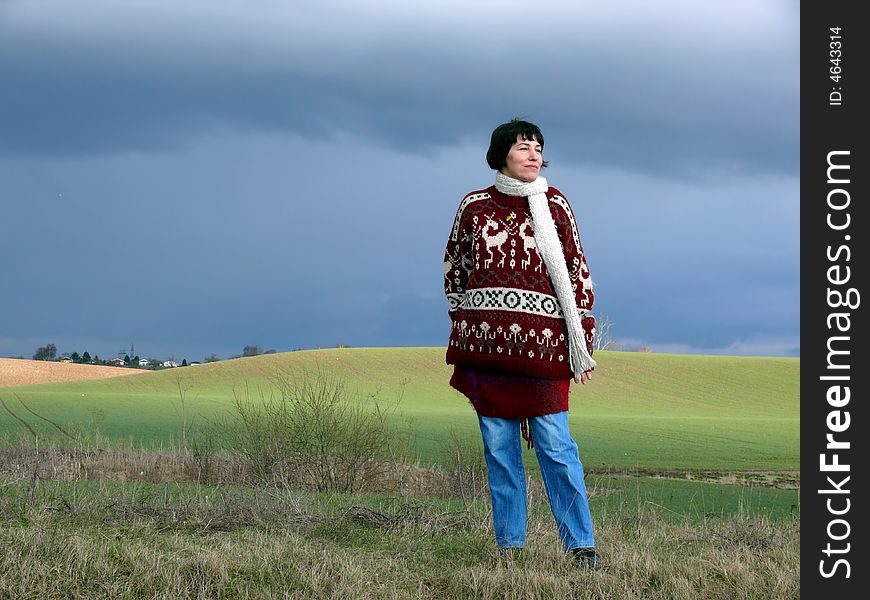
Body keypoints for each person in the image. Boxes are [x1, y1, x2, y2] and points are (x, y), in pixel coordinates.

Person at [443, 118, 600, 567]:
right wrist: (475, 321)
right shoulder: (473, 207)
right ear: (501, 155)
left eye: (538, 147)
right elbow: (454, 268)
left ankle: (581, 546)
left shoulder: (556, 205)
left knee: (556, 447)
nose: (532, 154)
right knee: (500, 452)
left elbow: (577, 272)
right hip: (488, 353)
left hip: (544, 354)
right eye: (522, 147)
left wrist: (581, 342)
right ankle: (510, 547)